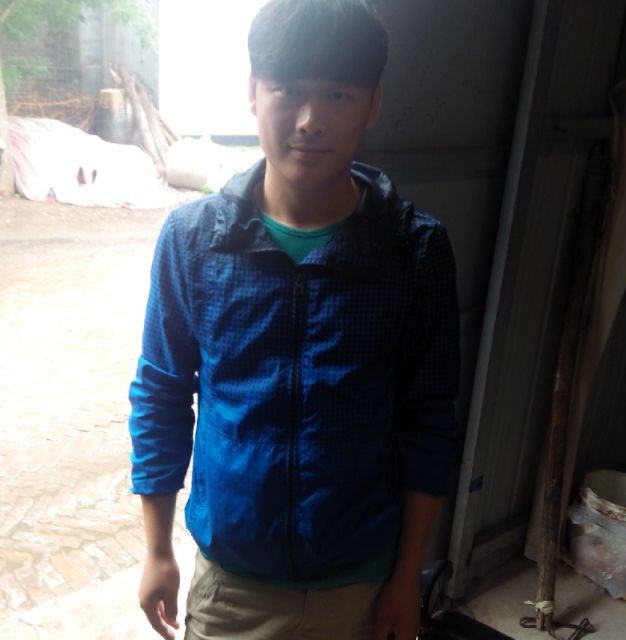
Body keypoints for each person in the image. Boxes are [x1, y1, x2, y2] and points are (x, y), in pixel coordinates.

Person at [129, 1, 460, 638]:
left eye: (338, 94)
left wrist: (404, 580)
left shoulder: (414, 251)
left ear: (372, 104)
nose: (310, 120)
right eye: (288, 89)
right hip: (232, 591)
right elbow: (162, 394)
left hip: (362, 587)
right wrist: (158, 550)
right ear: (254, 92)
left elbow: (428, 420)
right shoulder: (194, 241)